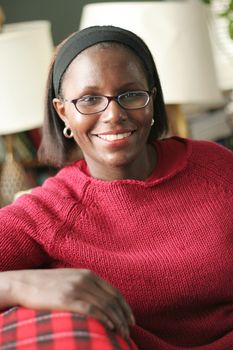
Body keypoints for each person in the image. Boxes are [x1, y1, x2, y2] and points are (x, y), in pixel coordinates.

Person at [0, 25, 233, 350]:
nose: (114, 114)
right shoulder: (49, 212)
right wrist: (18, 284)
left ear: (152, 99)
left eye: (131, 94)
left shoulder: (216, 168)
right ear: (62, 111)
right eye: (90, 99)